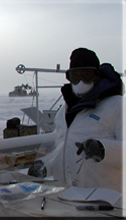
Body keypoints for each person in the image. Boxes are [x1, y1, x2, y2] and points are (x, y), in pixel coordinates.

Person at [28, 48, 124, 193]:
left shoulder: (117, 105)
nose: (81, 81)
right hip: (66, 199)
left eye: (86, 75)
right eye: (75, 76)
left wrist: (103, 149)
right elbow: (63, 150)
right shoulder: (64, 111)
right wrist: (45, 166)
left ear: (97, 75)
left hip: (105, 202)